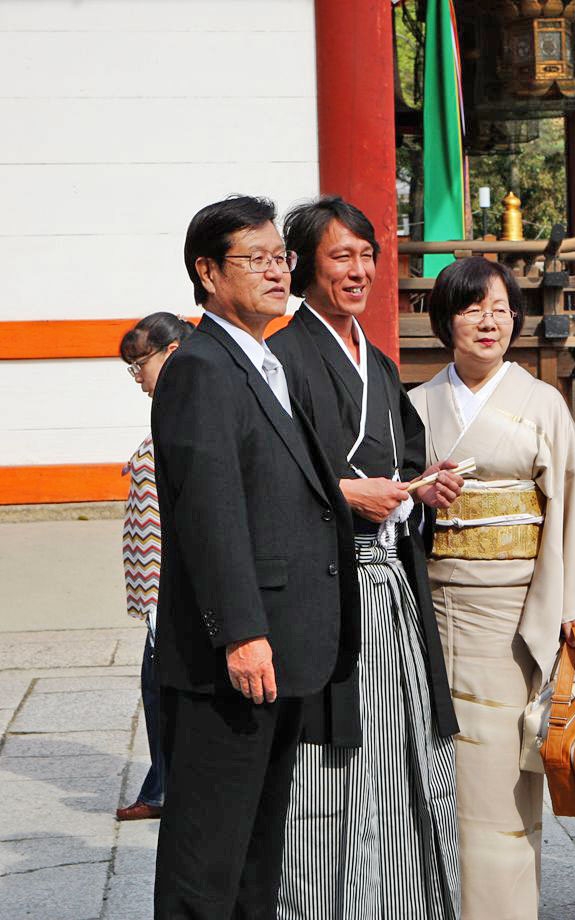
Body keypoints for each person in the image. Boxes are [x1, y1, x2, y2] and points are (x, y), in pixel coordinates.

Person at [151, 195, 359, 919]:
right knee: (206, 857)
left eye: (282, 257)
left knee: (256, 851)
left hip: (284, 645)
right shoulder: (200, 368)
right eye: (257, 259)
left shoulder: (265, 361)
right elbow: (208, 513)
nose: (277, 272)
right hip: (234, 658)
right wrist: (240, 631)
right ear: (208, 273)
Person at [408, 256, 575, 920]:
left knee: (502, 783)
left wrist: (565, 609)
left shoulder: (541, 403)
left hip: (513, 613)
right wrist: (420, 494)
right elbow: (391, 508)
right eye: (473, 308)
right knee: (431, 776)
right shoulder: (416, 407)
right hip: (434, 607)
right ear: (447, 320)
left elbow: (572, 510)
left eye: (502, 309)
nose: (489, 321)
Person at [268, 196, 462, 919]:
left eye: (367, 255)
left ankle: (401, 902)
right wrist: (349, 495)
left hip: (388, 590)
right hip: (326, 595)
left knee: (402, 749)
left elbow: (402, 461)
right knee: (328, 768)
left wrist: (421, 487)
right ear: (303, 265)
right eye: (341, 255)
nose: (358, 270)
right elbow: (271, 476)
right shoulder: (282, 358)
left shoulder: (378, 365)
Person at [115, 312, 194, 822]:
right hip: (159, 592)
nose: (138, 378)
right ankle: (163, 783)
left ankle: (169, 787)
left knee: (165, 687)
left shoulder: (191, 407)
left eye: (139, 364)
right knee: (156, 686)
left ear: (171, 351)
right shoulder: (175, 407)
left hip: (175, 588)